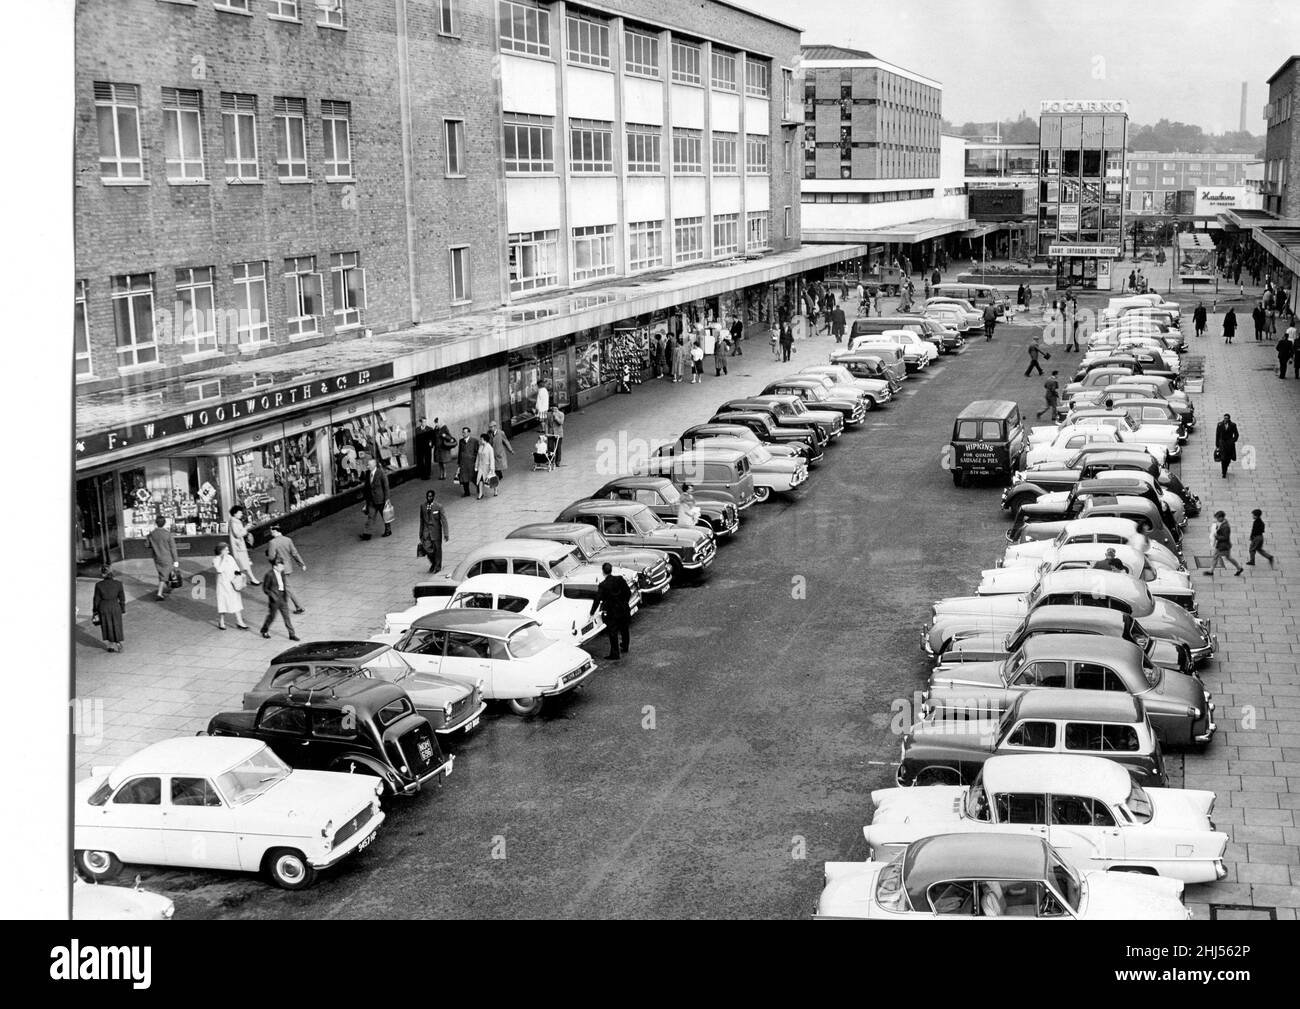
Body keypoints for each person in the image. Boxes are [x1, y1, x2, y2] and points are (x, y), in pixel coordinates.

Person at [589, 562, 632, 660]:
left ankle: (615, 653)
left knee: (613, 632)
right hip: (623, 608)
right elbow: (628, 592)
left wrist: (592, 612)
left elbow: (597, 599)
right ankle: (625, 646)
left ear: (603, 572)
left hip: (612, 612)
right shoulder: (620, 579)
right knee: (624, 628)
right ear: (611, 569)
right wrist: (624, 602)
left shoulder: (603, 585)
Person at [264, 524, 307, 614]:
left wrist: (268, 554)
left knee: (287, 587)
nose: (270, 532)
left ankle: (299, 607)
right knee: (282, 585)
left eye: (271, 530)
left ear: (275, 531)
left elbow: (271, 557)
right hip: (288, 567)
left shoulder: (272, 542)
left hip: (279, 568)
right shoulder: (288, 540)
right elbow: (295, 553)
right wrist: (301, 564)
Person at [259, 557, 300, 639]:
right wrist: (272, 595)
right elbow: (265, 588)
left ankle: (292, 634)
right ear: (275, 566)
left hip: (282, 597)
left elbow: (283, 584)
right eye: (280, 566)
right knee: (272, 616)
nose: (282, 568)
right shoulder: (269, 575)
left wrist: (285, 595)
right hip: (274, 599)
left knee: (286, 616)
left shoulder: (282, 573)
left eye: (282, 566)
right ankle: (264, 630)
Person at [213, 542, 250, 630]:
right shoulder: (216, 559)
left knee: (236, 601)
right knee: (223, 602)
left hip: (233, 583)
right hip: (223, 584)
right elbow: (219, 570)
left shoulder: (230, 557)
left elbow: (236, 568)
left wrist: (239, 575)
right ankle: (221, 621)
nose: (228, 551)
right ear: (221, 550)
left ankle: (240, 621)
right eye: (226, 550)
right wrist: (223, 559)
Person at [91, 565, 126, 652]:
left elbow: (96, 599)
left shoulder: (99, 585)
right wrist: (122, 608)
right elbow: (122, 598)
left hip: (104, 607)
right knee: (116, 625)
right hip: (115, 606)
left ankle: (110, 645)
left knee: (107, 626)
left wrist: (95, 611)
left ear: (103, 574)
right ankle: (117, 642)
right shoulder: (118, 584)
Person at [145, 515, 180, 601]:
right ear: (164, 523)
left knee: (163, 573)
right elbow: (173, 548)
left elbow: (146, 545)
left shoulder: (152, 534)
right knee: (164, 576)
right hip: (167, 557)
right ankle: (159, 593)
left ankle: (167, 587)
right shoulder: (168, 534)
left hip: (157, 557)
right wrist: (176, 560)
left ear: (156, 523)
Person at [360, 453, 392, 539]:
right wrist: (366, 501)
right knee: (371, 517)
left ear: (374, 465)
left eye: (369, 465)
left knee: (385, 515)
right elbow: (366, 487)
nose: (368, 467)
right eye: (367, 465)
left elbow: (386, 487)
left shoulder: (381, 473)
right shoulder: (367, 474)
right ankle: (367, 534)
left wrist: (387, 499)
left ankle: (388, 530)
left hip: (381, 499)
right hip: (371, 500)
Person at [418, 489, 451, 573]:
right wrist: (420, 532)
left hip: (436, 533)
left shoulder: (438, 506)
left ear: (433, 497)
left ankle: (437, 566)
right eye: (428, 496)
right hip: (426, 533)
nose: (429, 498)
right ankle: (433, 562)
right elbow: (421, 520)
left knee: (437, 550)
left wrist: (446, 534)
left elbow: (444, 520)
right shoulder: (422, 506)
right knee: (428, 549)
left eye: (431, 496)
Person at [227, 504, 259, 585]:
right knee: (244, 564)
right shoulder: (235, 522)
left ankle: (248, 579)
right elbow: (238, 534)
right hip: (239, 547)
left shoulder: (233, 521)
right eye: (240, 513)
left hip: (238, 546)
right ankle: (252, 579)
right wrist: (246, 528)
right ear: (235, 513)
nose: (241, 514)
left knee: (241, 564)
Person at [1205, 511, 1243, 577]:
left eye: (1218, 518)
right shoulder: (1222, 523)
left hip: (1223, 546)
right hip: (1223, 545)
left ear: (1221, 517)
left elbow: (1225, 537)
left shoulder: (1226, 526)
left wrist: (1216, 536)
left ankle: (1211, 571)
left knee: (1218, 557)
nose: (1217, 519)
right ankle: (1239, 568)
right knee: (1226, 557)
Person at [1214, 413, 1239, 479]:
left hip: (1229, 445)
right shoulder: (1220, 424)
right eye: (1224, 418)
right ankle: (1223, 472)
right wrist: (1217, 444)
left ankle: (1226, 465)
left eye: (1227, 418)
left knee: (1228, 459)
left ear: (1229, 419)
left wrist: (1233, 440)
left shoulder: (1233, 425)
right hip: (1222, 444)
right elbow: (1217, 435)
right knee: (1223, 458)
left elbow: (1236, 434)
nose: (1225, 419)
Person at [455, 426, 476, 497]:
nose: (463, 434)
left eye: (465, 432)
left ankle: (480, 490)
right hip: (463, 463)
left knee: (473, 477)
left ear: (469, 433)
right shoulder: (461, 441)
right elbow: (460, 452)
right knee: (464, 478)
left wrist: (475, 460)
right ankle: (467, 492)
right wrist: (459, 462)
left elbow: (476, 452)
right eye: (463, 432)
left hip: (471, 463)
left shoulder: (474, 441)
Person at [475, 432, 497, 499]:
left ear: (484, 439)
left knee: (491, 479)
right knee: (480, 480)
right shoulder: (480, 446)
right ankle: (481, 494)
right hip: (481, 467)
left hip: (487, 467)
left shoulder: (489, 448)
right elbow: (478, 457)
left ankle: (495, 490)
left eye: (481, 439)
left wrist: (492, 468)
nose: (480, 440)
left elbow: (492, 458)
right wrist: (476, 466)